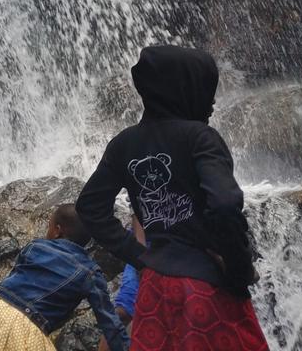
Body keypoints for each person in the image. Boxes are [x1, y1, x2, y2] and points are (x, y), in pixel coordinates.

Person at [76, 45, 269, 351]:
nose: (214, 101)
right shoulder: (199, 137)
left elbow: (89, 207)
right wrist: (237, 266)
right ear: (184, 89)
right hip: (206, 286)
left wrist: (140, 257)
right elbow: (225, 203)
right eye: (205, 88)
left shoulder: (124, 144)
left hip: (154, 288)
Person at [0, 204, 129, 351]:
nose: (47, 231)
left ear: (57, 230)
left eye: (49, 226)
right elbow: (109, 323)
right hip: (23, 325)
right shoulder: (90, 273)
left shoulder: (34, 246)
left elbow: (16, 277)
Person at [97, 217, 144, 351]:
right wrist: (141, 254)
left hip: (178, 250)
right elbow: (138, 213)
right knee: (122, 312)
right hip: (144, 247)